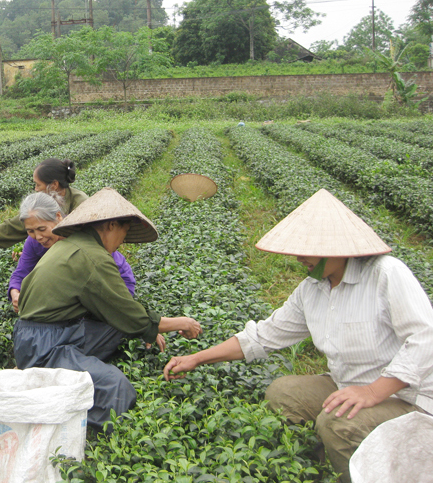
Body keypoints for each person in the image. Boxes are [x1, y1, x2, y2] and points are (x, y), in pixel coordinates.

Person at [163, 189, 433, 483]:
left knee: (337, 423)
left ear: (335, 247)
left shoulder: (385, 274)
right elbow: (263, 336)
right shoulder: (312, 289)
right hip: (348, 384)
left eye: (307, 249)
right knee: (284, 394)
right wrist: (196, 358)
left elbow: (425, 336)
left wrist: (372, 392)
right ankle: (319, 466)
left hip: (405, 396)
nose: (299, 257)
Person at [16, 187, 203, 430]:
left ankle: (74, 367)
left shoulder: (75, 246)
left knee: (116, 325)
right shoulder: (91, 256)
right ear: (111, 225)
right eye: (124, 232)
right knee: (116, 387)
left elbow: (120, 310)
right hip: (44, 348)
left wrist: (146, 326)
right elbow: (130, 314)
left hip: (46, 334)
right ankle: (79, 435)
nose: (123, 240)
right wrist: (179, 323)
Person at [8, 192, 135, 313]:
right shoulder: (34, 242)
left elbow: (110, 271)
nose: (38, 236)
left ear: (58, 217)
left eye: (42, 229)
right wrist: (15, 293)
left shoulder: (81, 232)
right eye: (30, 231)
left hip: (114, 286)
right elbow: (21, 273)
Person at [0, 158, 87, 264]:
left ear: (54, 185)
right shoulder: (42, 204)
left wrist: (39, 256)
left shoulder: (81, 205)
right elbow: (12, 227)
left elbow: (81, 244)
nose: (36, 189)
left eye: (38, 185)